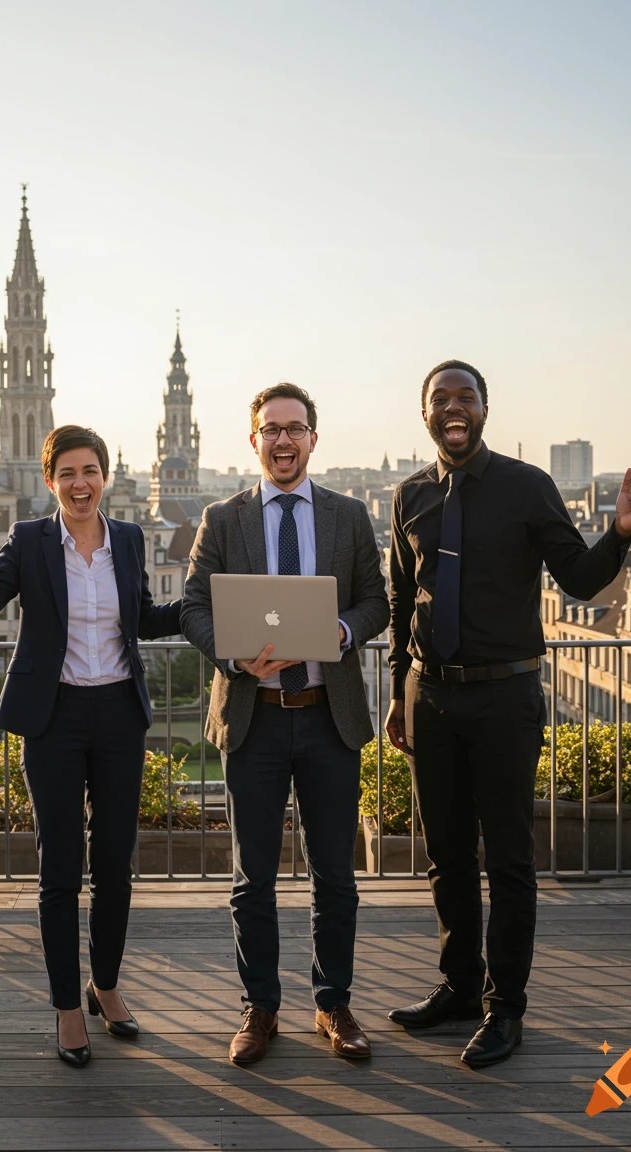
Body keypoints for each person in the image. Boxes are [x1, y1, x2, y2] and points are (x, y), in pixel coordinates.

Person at [385, 361, 631, 1067]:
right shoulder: (407, 496)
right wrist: (397, 695)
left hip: (505, 699)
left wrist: (620, 534)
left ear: (483, 409)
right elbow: (399, 605)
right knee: (446, 857)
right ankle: (458, 985)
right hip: (433, 698)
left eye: (464, 397)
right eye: (440, 399)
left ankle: (505, 1008)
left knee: (507, 859)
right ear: (425, 414)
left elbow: (580, 578)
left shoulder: (528, 486)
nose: (453, 408)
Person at [0, 425, 182, 1067]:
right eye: (68, 472)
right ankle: (68, 1008)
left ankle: (106, 985)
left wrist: (206, 602)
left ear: (104, 477)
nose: (80, 483)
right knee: (59, 868)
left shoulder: (128, 539)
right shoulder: (29, 540)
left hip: (120, 713)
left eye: (90, 471)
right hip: (55, 718)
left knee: (116, 865)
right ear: (51, 481)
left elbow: (146, 618)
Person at [181, 383, 389, 1066]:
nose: (282, 440)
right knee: (253, 880)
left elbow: (375, 605)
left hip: (328, 719)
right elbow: (191, 608)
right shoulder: (223, 519)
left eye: (294, 428)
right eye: (270, 429)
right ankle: (260, 1008)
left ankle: (333, 1005)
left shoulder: (349, 516)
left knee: (335, 876)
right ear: (253, 441)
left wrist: (336, 629)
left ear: (313, 440)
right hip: (256, 718)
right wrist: (231, 654)